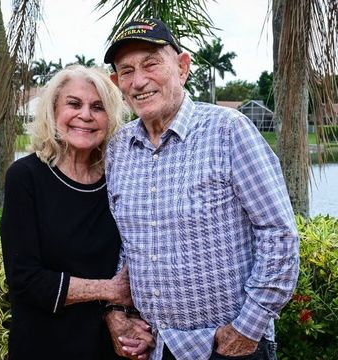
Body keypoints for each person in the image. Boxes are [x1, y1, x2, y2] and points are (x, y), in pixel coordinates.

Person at [102, 19, 300, 360]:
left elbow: (279, 234)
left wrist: (247, 329)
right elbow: (125, 244)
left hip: (228, 347)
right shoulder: (119, 147)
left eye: (151, 64)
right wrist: (120, 313)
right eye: (127, 70)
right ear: (116, 82)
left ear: (182, 67)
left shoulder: (228, 130)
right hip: (154, 348)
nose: (139, 80)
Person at [0, 65, 147, 359]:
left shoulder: (119, 178)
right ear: (53, 110)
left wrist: (120, 313)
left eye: (98, 107)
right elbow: (24, 280)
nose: (86, 115)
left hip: (108, 343)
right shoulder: (26, 177)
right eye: (74, 104)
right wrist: (109, 289)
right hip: (45, 344)